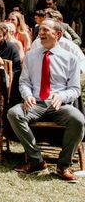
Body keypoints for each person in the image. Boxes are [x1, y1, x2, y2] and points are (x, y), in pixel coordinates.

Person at [7, 19, 85, 182]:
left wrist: (62, 96)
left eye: (45, 30)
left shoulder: (71, 58)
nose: (40, 33)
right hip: (35, 103)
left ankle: (63, 166)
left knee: (78, 119)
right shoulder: (31, 55)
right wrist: (27, 94)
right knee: (14, 113)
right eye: (40, 30)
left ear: (58, 34)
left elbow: (75, 89)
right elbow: (24, 82)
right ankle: (37, 161)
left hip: (59, 105)